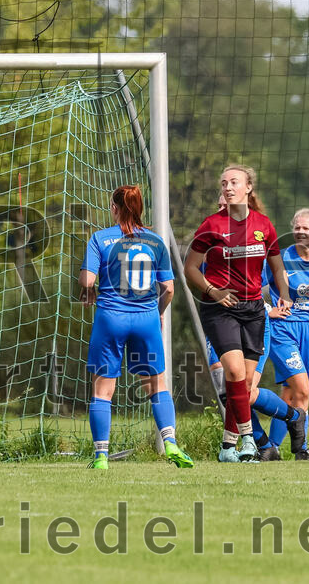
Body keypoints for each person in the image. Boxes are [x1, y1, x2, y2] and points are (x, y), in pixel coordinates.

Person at [183, 165, 304, 463]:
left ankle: (229, 447)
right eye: (223, 183)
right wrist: (213, 291)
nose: (227, 188)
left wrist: (285, 293)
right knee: (235, 375)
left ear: (248, 187)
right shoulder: (211, 225)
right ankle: (250, 441)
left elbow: (276, 265)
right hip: (219, 309)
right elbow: (189, 268)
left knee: (245, 387)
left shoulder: (263, 225)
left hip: (254, 311)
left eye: (234, 182)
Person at [80, 185, 193, 469]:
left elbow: (88, 281)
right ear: (140, 208)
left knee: (102, 390)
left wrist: (89, 289)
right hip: (146, 319)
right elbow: (168, 288)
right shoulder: (156, 241)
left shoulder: (100, 238)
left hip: (111, 318)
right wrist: (159, 313)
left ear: (115, 208)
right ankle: (170, 443)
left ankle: (101, 457)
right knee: (157, 385)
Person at [261, 208, 309, 460]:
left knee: (291, 393)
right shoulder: (280, 258)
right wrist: (268, 310)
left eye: (306, 228)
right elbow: (256, 287)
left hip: (307, 330)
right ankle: (299, 448)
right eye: (297, 227)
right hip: (282, 329)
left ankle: (273, 447)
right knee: (301, 389)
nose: (300, 232)